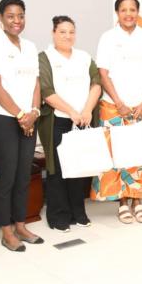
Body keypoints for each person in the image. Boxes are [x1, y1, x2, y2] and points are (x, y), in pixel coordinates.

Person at [90, 0, 142, 224]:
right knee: (118, 153)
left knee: (140, 153)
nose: (128, 14)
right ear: (117, 13)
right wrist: (119, 103)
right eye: (123, 10)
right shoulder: (108, 38)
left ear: (138, 12)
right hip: (113, 106)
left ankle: (138, 200)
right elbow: (103, 73)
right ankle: (122, 201)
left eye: (132, 10)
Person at [0, 0, 43, 251]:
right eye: (10, 16)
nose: (16, 21)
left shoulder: (29, 47)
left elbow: (36, 83)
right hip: (2, 119)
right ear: (0, 19)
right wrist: (21, 116)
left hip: (28, 118)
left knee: (23, 175)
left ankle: (20, 224)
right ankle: (6, 231)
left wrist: (34, 112)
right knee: (6, 176)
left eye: (20, 16)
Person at [38, 16, 101, 232]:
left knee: (79, 168)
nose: (67, 36)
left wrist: (86, 110)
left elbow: (96, 83)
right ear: (54, 33)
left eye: (71, 31)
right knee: (57, 170)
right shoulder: (45, 57)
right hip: (58, 121)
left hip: (82, 121)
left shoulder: (84, 57)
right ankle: (58, 216)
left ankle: (78, 213)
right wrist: (71, 111)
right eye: (62, 32)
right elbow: (46, 91)